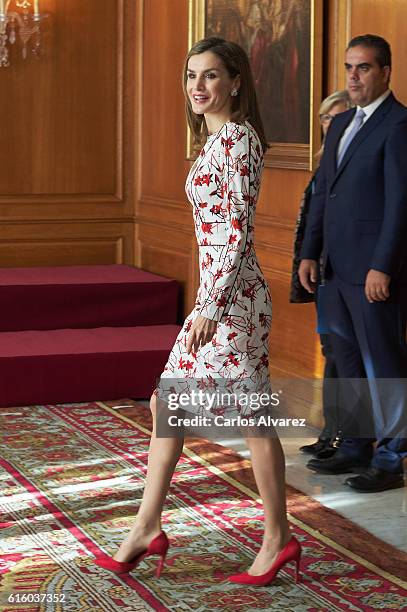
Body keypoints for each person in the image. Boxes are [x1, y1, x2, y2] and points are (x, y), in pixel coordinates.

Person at [94, 37, 301, 585]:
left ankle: (276, 536)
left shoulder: (237, 141)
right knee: (172, 405)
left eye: (210, 76)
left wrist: (210, 305)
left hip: (232, 302)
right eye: (191, 76)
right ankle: (146, 526)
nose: (198, 87)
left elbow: (234, 230)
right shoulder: (214, 142)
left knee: (250, 417)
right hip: (223, 293)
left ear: (235, 81)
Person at [299, 34, 407, 492]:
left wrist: (383, 265)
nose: (354, 77)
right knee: (348, 360)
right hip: (334, 269)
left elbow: (401, 203)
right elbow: (324, 194)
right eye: (349, 68)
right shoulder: (341, 125)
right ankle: (356, 445)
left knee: (383, 364)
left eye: (363, 68)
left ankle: (390, 458)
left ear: (385, 72)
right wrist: (309, 252)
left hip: (373, 273)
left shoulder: (400, 125)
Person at [291, 90, 352, 459]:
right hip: (323, 271)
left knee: (347, 357)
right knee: (331, 352)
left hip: (345, 274)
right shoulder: (323, 164)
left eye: (336, 116)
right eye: (325, 118)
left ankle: (346, 436)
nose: (329, 124)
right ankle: (331, 432)